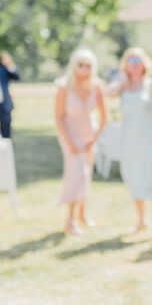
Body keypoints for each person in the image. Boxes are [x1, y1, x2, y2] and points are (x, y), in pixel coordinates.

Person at [107, 47, 152, 238]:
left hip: (148, 140)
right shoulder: (123, 85)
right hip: (129, 141)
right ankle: (141, 221)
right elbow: (107, 94)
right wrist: (122, 81)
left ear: (144, 64)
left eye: (137, 61)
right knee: (133, 177)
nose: (133, 64)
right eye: (130, 61)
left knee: (151, 178)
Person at [54, 48, 107, 236]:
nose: (84, 69)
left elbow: (104, 118)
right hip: (69, 134)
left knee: (86, 174)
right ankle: (70, 219)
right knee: (76, 174)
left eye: (88, 65)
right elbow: (59, 118)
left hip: (88, 135)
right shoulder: (64, 87)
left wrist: (93, 140)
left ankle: (83, 214)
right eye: (80, 65)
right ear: (74, 66)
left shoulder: (97, 86)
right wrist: (69, 142)